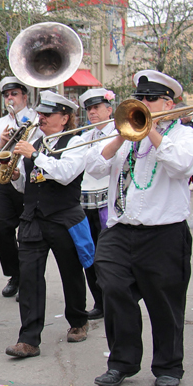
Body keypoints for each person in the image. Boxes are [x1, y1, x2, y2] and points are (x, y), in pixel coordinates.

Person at [86, 71, 193, 386]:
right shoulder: (124, 135)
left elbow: (181, 166)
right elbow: (93, 166)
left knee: (165, 302)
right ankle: (122, 362)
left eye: (150, 100)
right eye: (139, 99)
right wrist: (122, 134)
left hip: (164, 232)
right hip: (121, 229)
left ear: (168, 103)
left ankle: (168, 366)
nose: (143, 104)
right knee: (113, 289)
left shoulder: (183, 135)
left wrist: (150, 131)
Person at [5, 91, 91, 358]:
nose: (40, 118)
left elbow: (65, 174)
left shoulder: (76, 142)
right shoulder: (36, 142)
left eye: (48, 114)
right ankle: (28, 339)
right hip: (33, 218)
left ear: (65, 118)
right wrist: (17, 174)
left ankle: (78, 320)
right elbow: (28, 184)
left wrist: (33, 156)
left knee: (71, 273)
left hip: (63, 217)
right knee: (29, 278)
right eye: (40, 113)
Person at [0, 76, 42, 298]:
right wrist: (0, 144)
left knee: (28, 235)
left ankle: (28, 279)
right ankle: (15, 274)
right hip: (5, 181)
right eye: (6, 95)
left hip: (29, 182)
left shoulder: (38, 118)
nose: (10, 98)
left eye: (14, 94)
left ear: (24, 96)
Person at [78, 88, 116, 320]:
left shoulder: (120, 132)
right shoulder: (84, 136)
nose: (92, 112)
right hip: (85, 202)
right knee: (89, 255)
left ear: (109, 110)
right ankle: (99, 301)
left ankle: (113, 300)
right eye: (89, 109)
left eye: (96, 108)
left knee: (108, 256)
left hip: (107, 201)